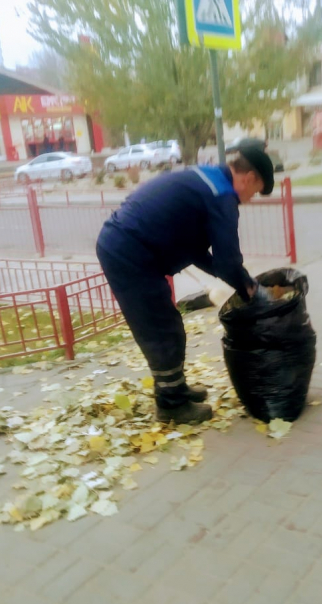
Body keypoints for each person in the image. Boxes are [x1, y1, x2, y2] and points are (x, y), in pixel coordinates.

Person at [96, 142, 275, 424]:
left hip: (127, 245)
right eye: (254, 191)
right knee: (163, 330)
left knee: (166, 326)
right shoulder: (222, 195)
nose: (250, 199)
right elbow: (228, 261)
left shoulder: (206, 178)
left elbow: (194, 249)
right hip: (130, 252)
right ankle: (171, 406)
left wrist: (237, 280)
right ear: (249, 178)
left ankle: (175, 388)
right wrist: (250, 289)